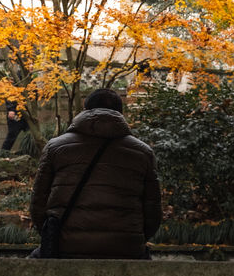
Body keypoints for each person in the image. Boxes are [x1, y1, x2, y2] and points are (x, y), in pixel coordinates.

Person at [29, 88, 161, 259]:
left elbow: (38, 203)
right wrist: (133, 237)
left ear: (86, 110)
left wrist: (52, 235)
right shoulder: (142, 152)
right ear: (120, 113)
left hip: (66, 246)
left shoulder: (55, 148)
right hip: (126, 247)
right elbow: (153, 212)